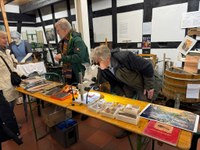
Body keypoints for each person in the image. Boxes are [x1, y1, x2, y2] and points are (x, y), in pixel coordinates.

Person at [91, 45, 155, 138]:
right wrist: (122, 95)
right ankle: (128, 128)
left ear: (107, 58)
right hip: (127, 84)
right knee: (126, 104)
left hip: (142, 83)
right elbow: (114, 84)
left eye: (98, 62)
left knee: (144, 104)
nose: (97, 65)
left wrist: (149, 86)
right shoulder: (103, 69)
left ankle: (145, 129)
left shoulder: (125, 57)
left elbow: (147, 66)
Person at [54, 18, 90, 84]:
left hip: (78, 74)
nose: (57, 33)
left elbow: (78, 57)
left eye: (58, 30)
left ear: (65, 30)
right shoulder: (64, 42)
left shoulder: (77, 41)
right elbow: (64, 54)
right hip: (68, 73)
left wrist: (62, 57)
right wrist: (59, 56)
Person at [0, 31, 22, 111]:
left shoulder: (7, 51)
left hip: (11, 85)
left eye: (6, 38)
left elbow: (11, 67)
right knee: (6, 110)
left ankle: (12, 123)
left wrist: (21, 74)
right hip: (3, 87)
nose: (6, 40)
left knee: (11, 107)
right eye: (3, 38)